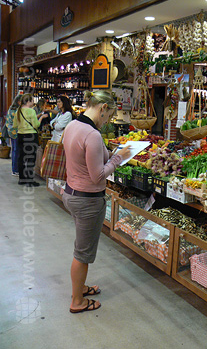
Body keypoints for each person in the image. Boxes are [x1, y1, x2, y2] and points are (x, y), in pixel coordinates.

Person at [62, 90, 130, 313]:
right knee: (82, 253)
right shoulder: (92, 134)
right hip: (87, 201)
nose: (108, 120)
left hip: (72, 193)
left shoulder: (73, 125)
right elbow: (98, 176)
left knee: (82, 248)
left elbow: (86, 159)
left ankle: (80, 288)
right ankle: (77, 301)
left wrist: (111, 153)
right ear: (103, 109)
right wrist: (118, 159)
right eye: (109, 115)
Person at [13, 93, 48, 187]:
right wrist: (41, 117)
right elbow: (36, 125)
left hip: (20, 135)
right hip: (31, 136)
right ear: (28, 101)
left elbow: (15, 125)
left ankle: (22, 179)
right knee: (30, 158)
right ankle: (29, 180)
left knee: (21, 157)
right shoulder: (31, 111)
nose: (33, 102)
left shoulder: (18, 111)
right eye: (32, 100)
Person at [5, 94, 23, 176]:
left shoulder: (10, 109)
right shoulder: (17, 111)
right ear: (19, 102)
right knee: (17, 150)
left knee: (14, 150)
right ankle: (15, 170)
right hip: (16, 132)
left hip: (11, 132)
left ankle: (14, 168)